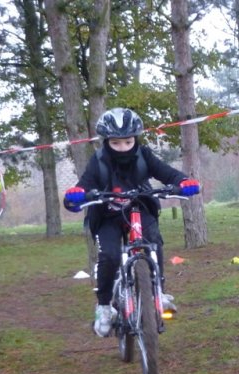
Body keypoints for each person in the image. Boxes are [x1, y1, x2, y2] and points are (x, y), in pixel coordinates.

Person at [63, 108, 200, 337]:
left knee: (154, 240)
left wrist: (184, 182)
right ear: (107, 142)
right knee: (110, 256)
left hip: (139, 207)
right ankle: (104, 307)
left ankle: (158, 293)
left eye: (128, 142)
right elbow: (84, 184)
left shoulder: (144, 155)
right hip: (107, 216)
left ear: (135, 139)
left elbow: (166, 173)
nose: (123, 147)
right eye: (116, 143)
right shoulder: (98, 162)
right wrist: (77, 195)